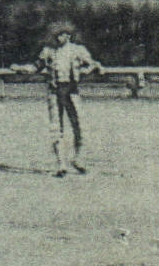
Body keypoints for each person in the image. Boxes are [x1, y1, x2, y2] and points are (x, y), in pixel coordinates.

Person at [14, 22, 104, 176]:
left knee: (80, 127)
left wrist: (96, 68)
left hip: (72, 92)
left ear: (68, 36)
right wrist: (20, 68)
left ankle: (78, 159)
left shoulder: (78, 50)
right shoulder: (48, 51)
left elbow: (92, 64)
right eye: (57, 35)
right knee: (56, 129)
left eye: (62, 34)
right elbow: (36, 66)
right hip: (55, 92)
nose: (59, 37)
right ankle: (61, 164)